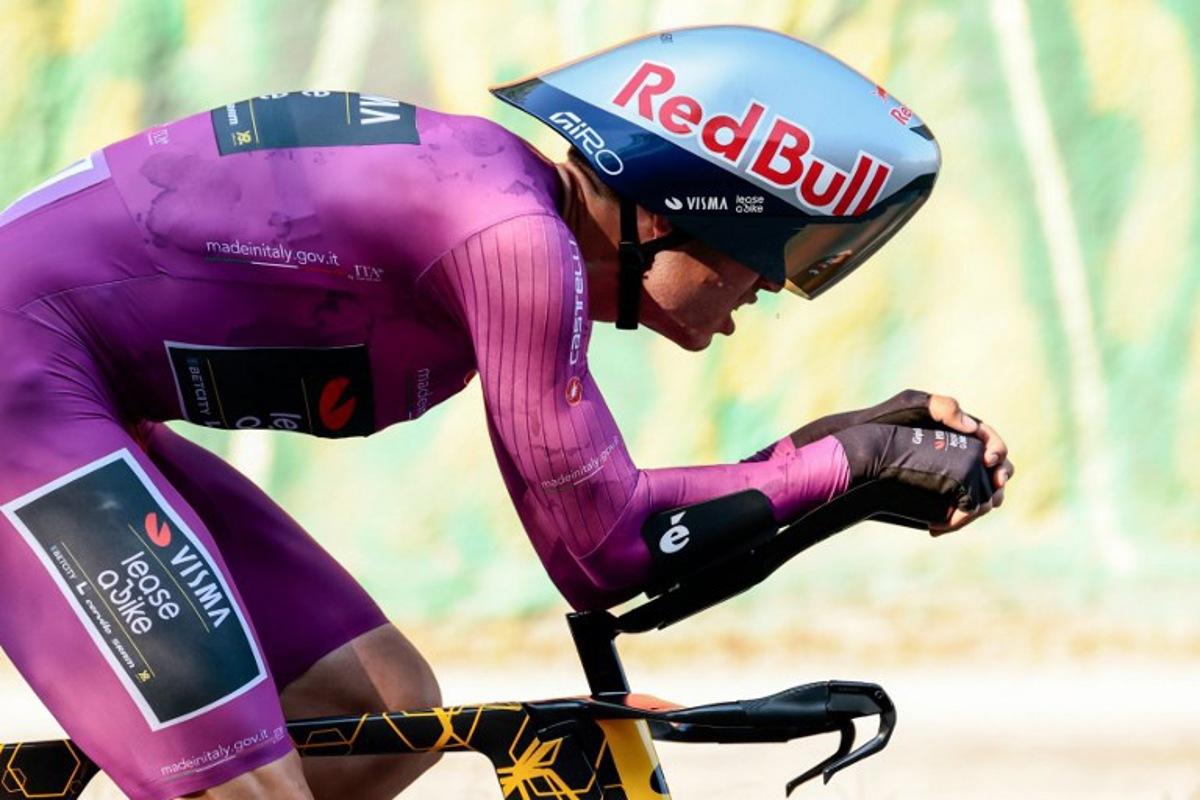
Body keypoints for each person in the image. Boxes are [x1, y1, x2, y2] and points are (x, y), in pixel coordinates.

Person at [0, 25, 1012, 800]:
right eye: (778, 256)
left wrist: (834, 453)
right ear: (673, 210)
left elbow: (610, 547)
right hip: (21, 392)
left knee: (383, 709)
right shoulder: (511, 238)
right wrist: (846, 462)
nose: (770, 295)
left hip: (58, 388)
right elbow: (599, 549)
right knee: (246, 782)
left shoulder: (504, 209)